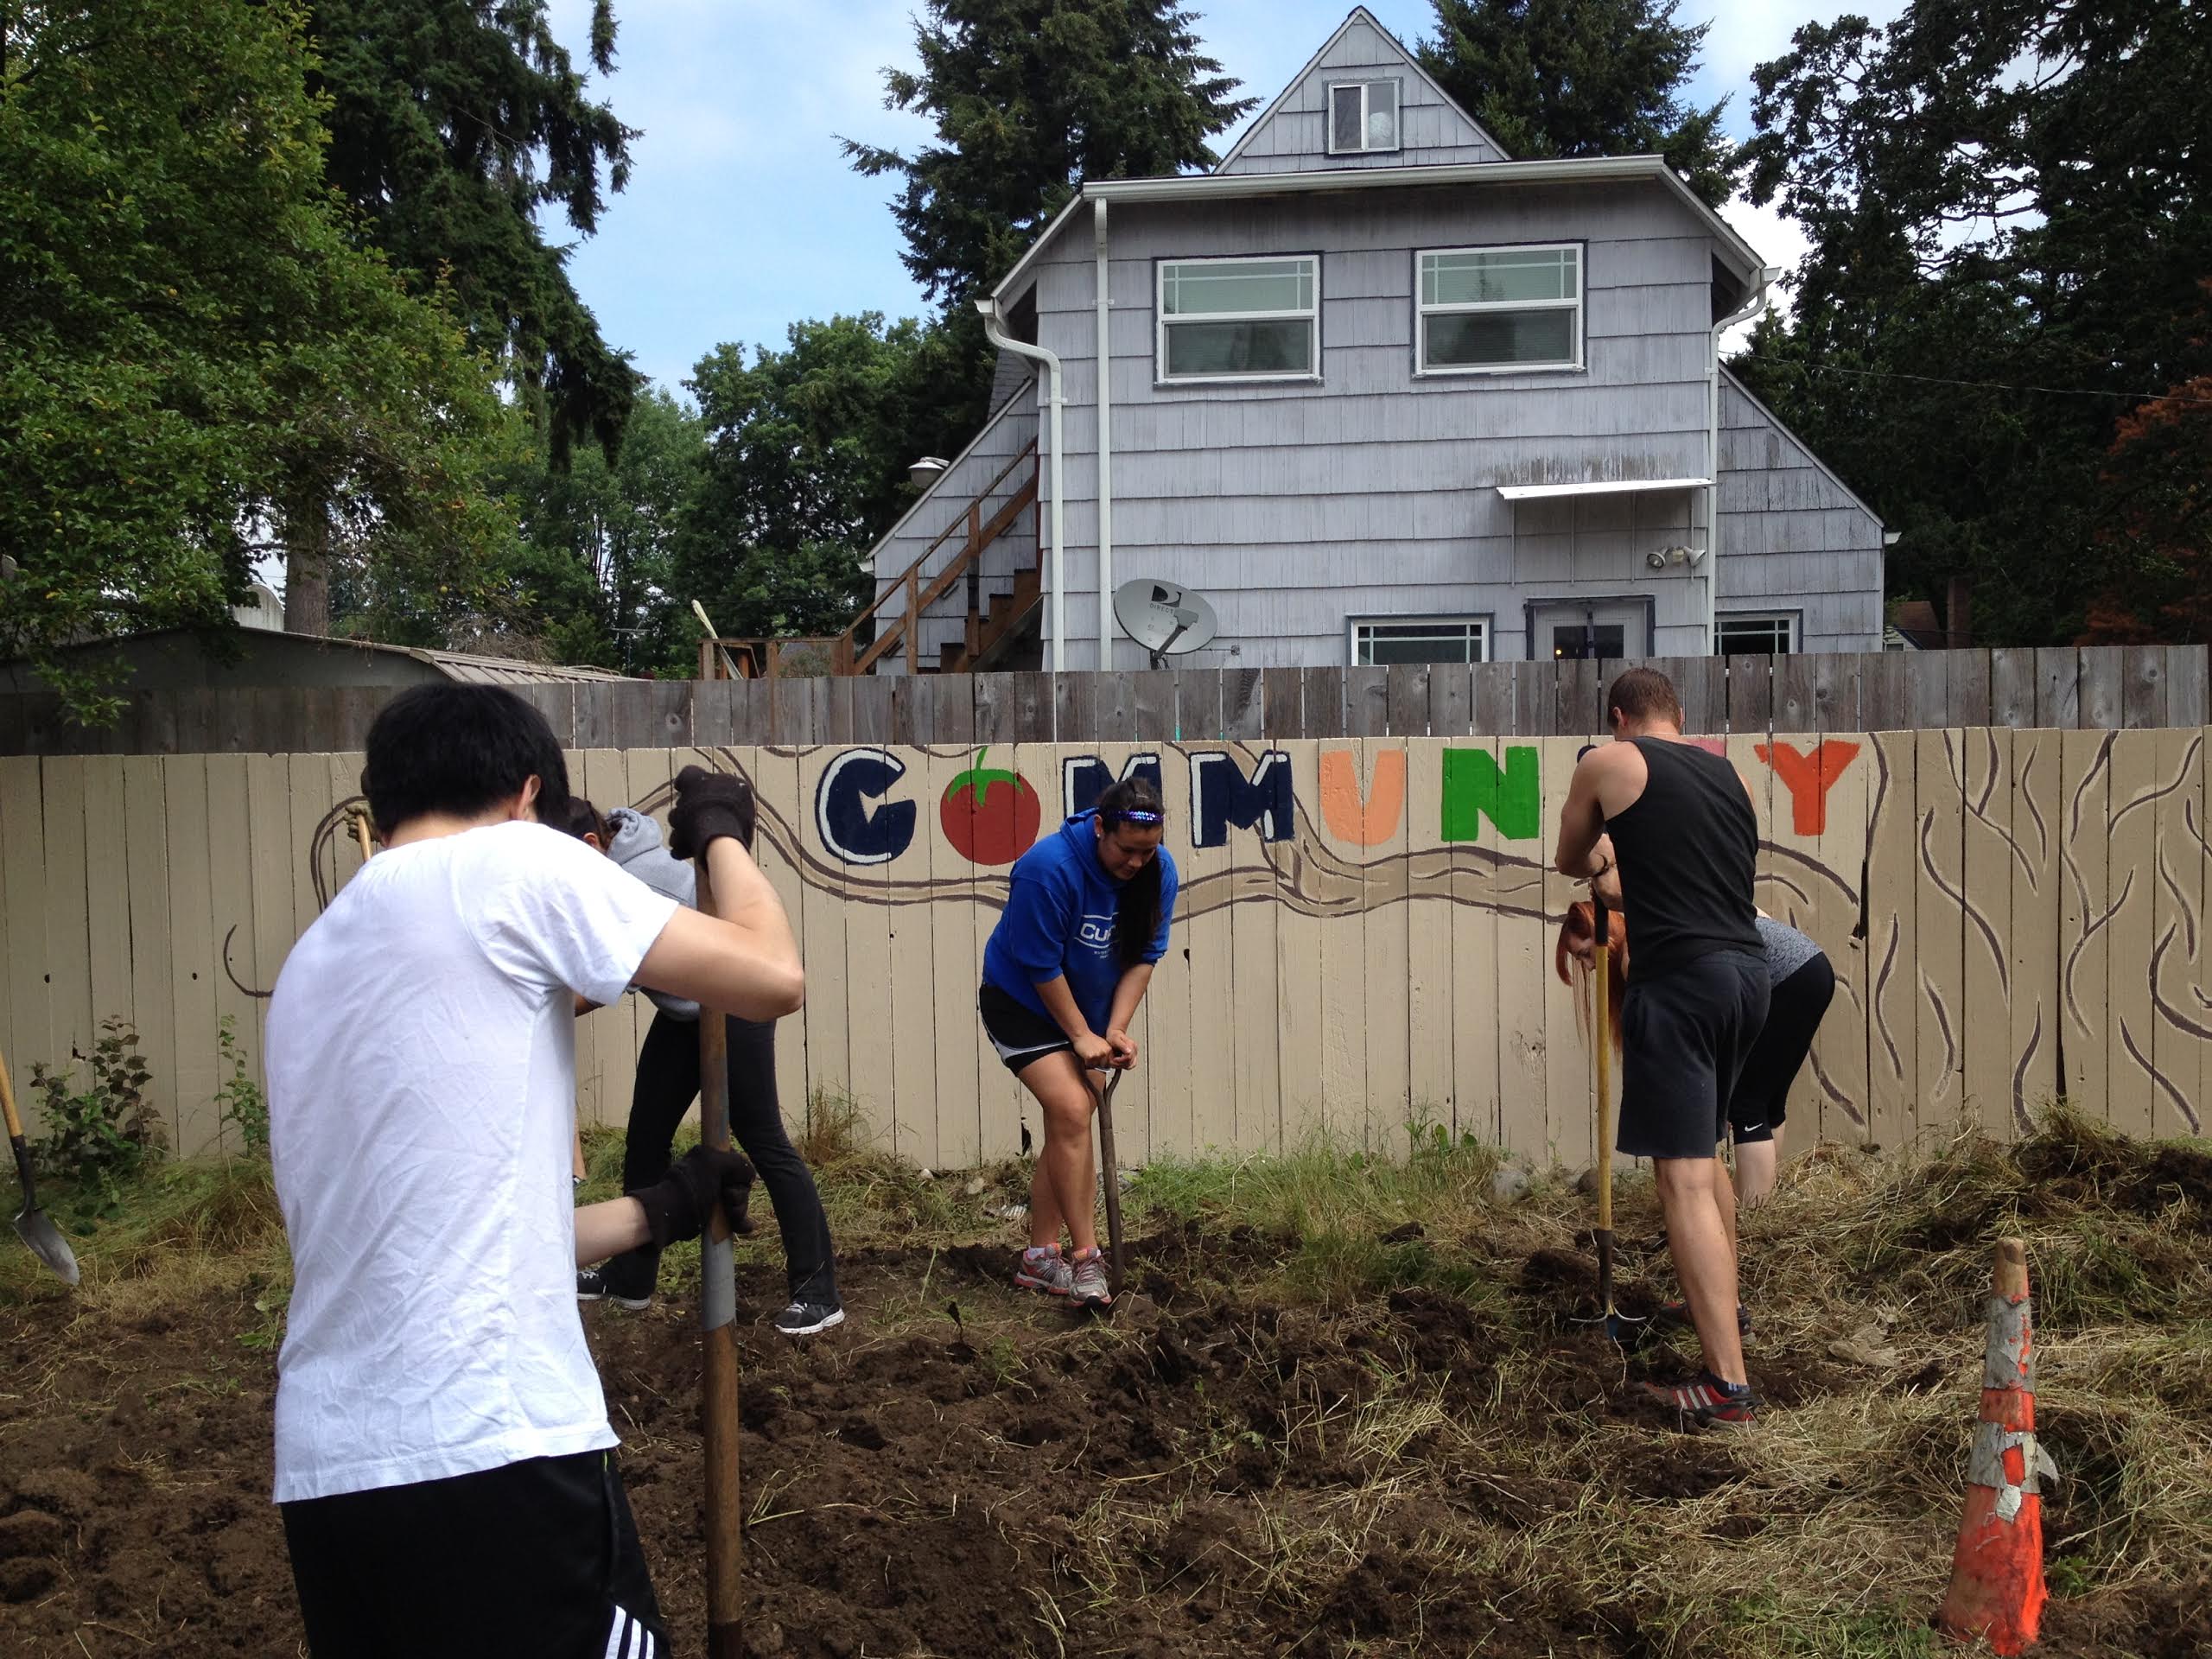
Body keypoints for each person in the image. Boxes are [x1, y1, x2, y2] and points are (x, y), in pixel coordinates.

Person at [265, 683, 803, 1657]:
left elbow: (448, 1238)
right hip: (492, 1453)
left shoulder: (316, 960)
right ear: (525, 794)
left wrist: (657, 1211)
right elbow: (770, 976)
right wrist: (724, 836)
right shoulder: (514, 860)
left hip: (332, 1477)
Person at [1554, 668, 1768, 1428]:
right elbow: (1688, 882)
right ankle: (1727, 1316)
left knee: (1678, 1179)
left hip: (1680, 984)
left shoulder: (1609, 762)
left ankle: (1726, 1386)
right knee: (1704, 1158)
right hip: (1747, 977)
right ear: (1681, 716)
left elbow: (1568, 857)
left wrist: (1599, 862)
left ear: (1619, 718)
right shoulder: (1728, 775)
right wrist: (1623, 884)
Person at [556, 794, 842, 1337]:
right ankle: (631, 1279)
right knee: (645, 1137)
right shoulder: (608, 866)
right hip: (688, 1009)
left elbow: (596, 987)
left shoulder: (632, 886)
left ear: (591, 847)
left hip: (733, 1001)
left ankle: (818, 1293)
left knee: (763, 1139)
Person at [978, 777, 1179, 1309]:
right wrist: (1079, 1034)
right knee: (1070, 1109)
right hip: (1021, 1002)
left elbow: (1144, 957)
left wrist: (1112, 1029)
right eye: (1126, 850)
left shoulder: (1159, 871)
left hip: (1086, 1013)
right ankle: (1088, 1262)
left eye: (1148, 851)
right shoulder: (1049, 869)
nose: (1137, 863)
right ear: (1098, 827)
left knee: (1071, 1121)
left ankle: (1041, 1257)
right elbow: (1040, 965)